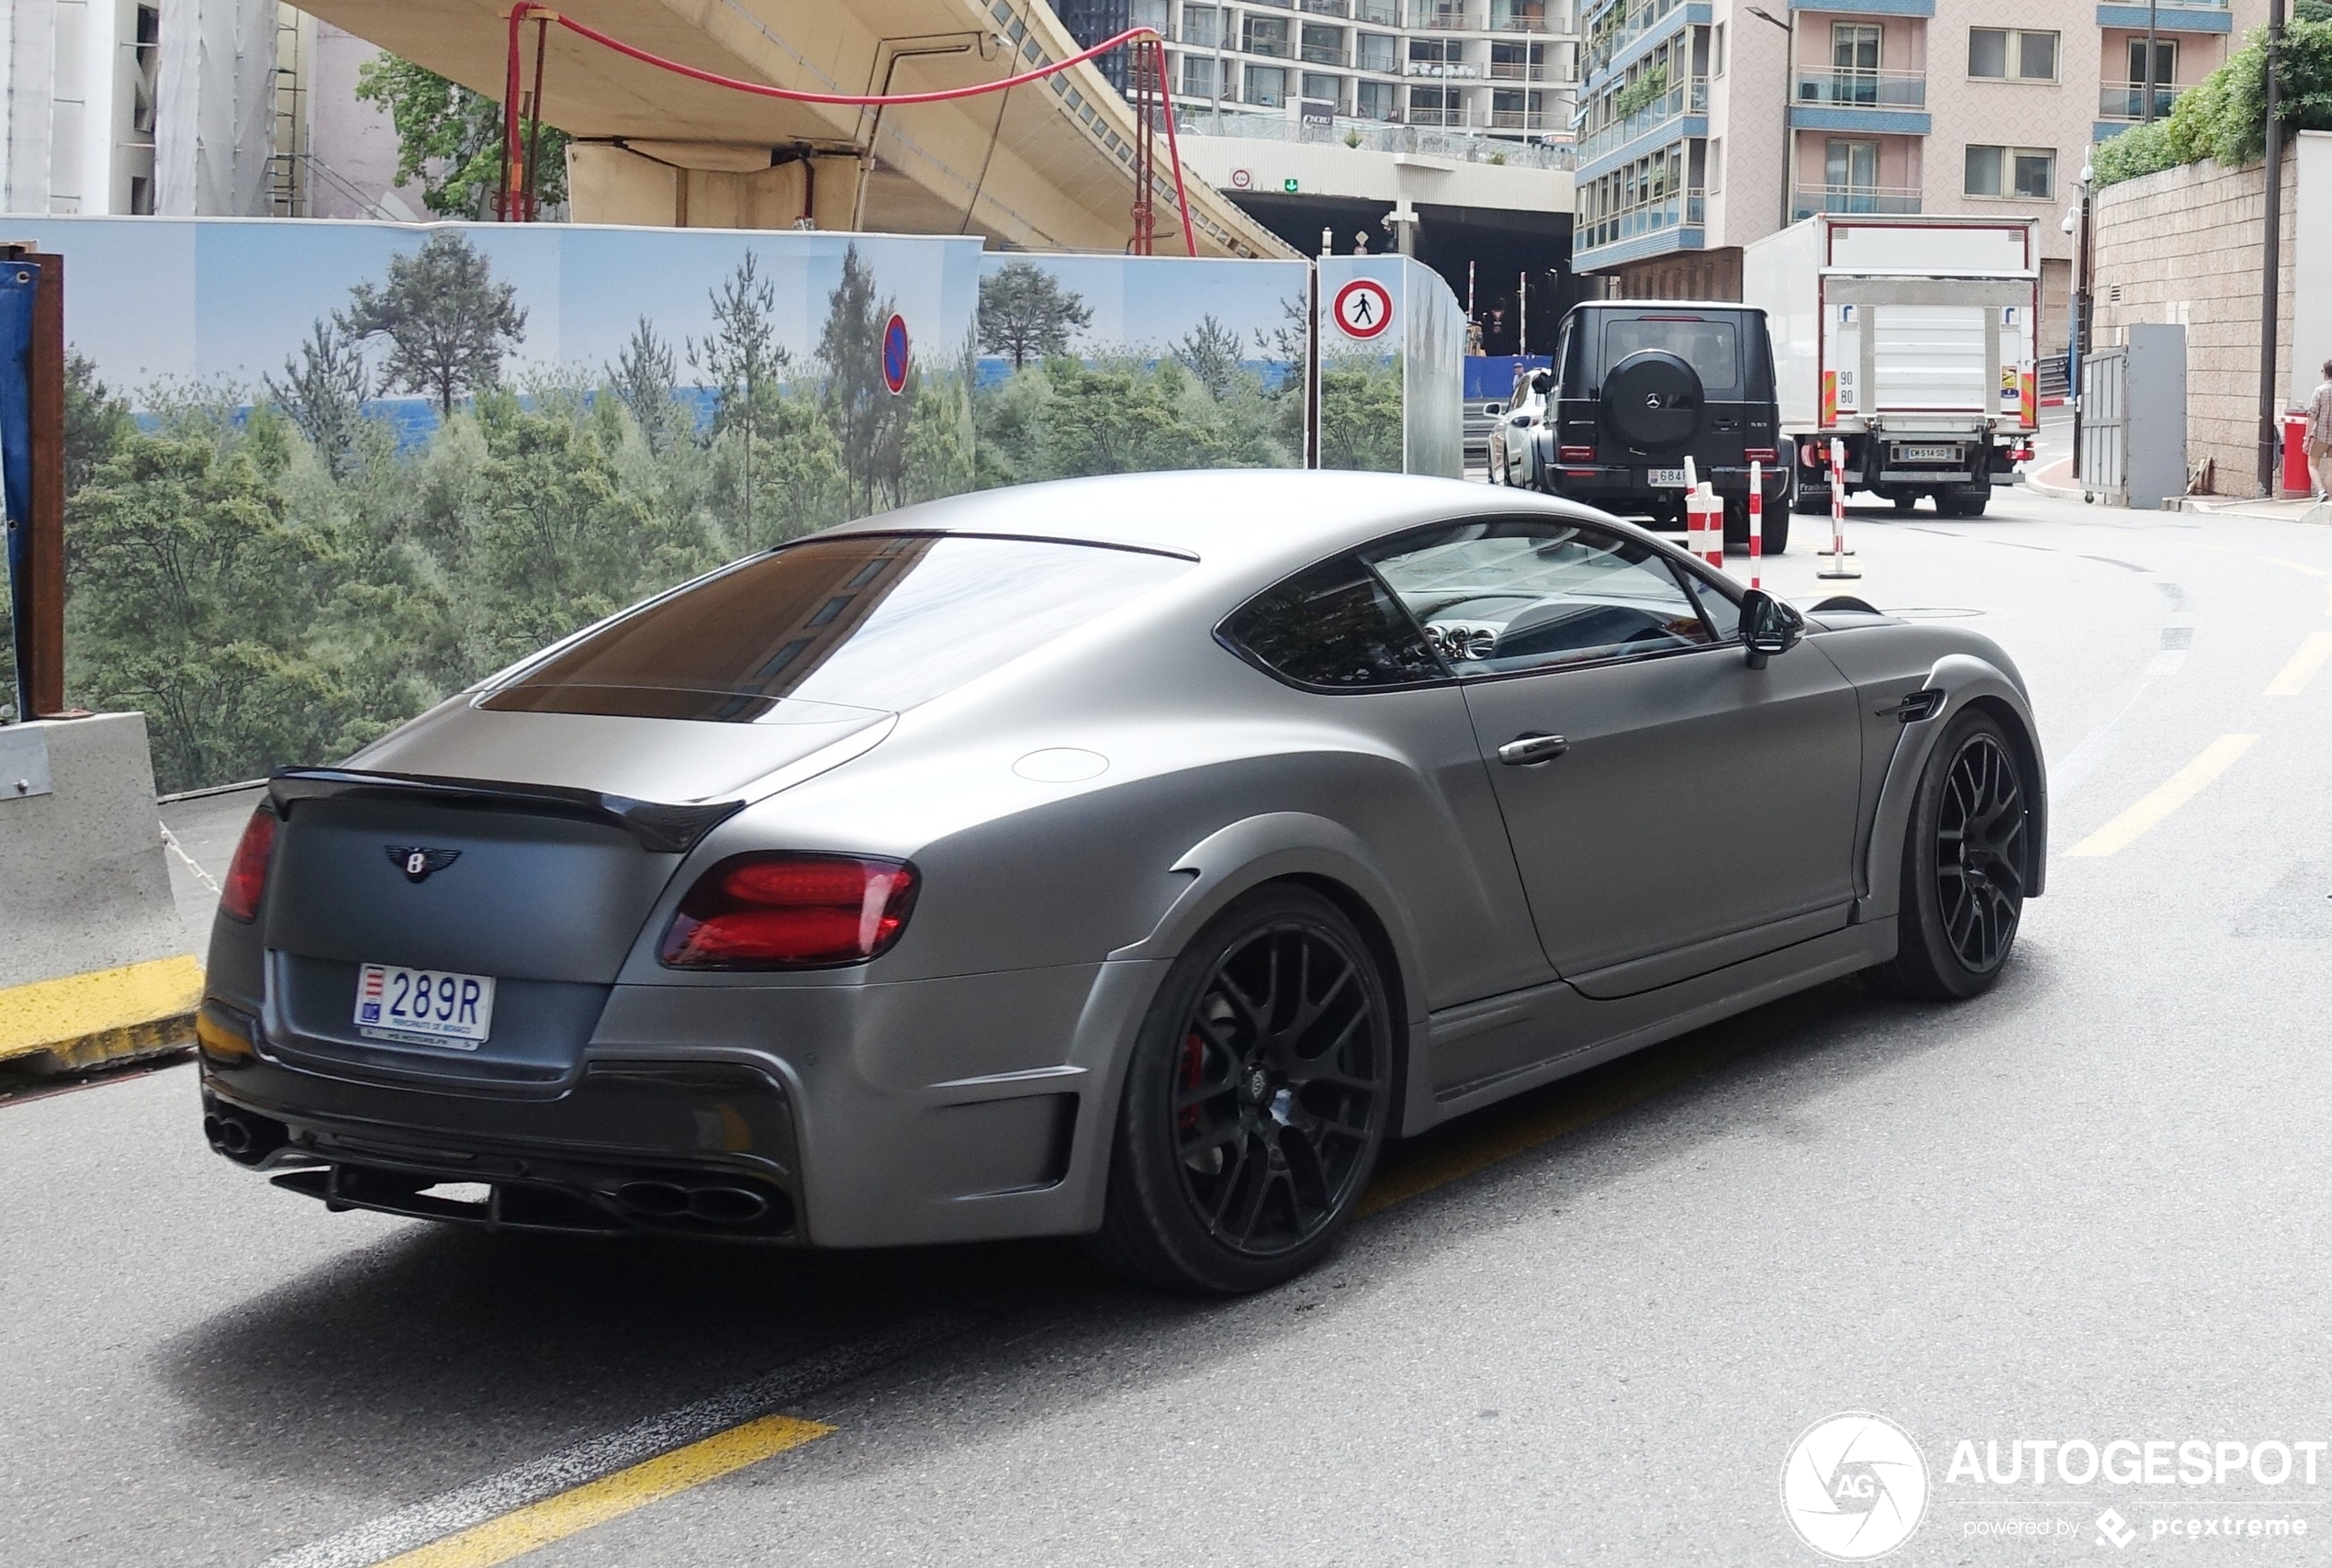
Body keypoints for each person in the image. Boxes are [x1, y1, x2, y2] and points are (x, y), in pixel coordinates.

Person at [2310, 358, 2332, 502]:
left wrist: (2307, 438)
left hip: (2321, 435)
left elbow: (2312, 414)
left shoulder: (2320, 390)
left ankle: (2321, 491)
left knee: (2312, 464)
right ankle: (2329, 497)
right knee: (2331, 469)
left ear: (2325, 373)